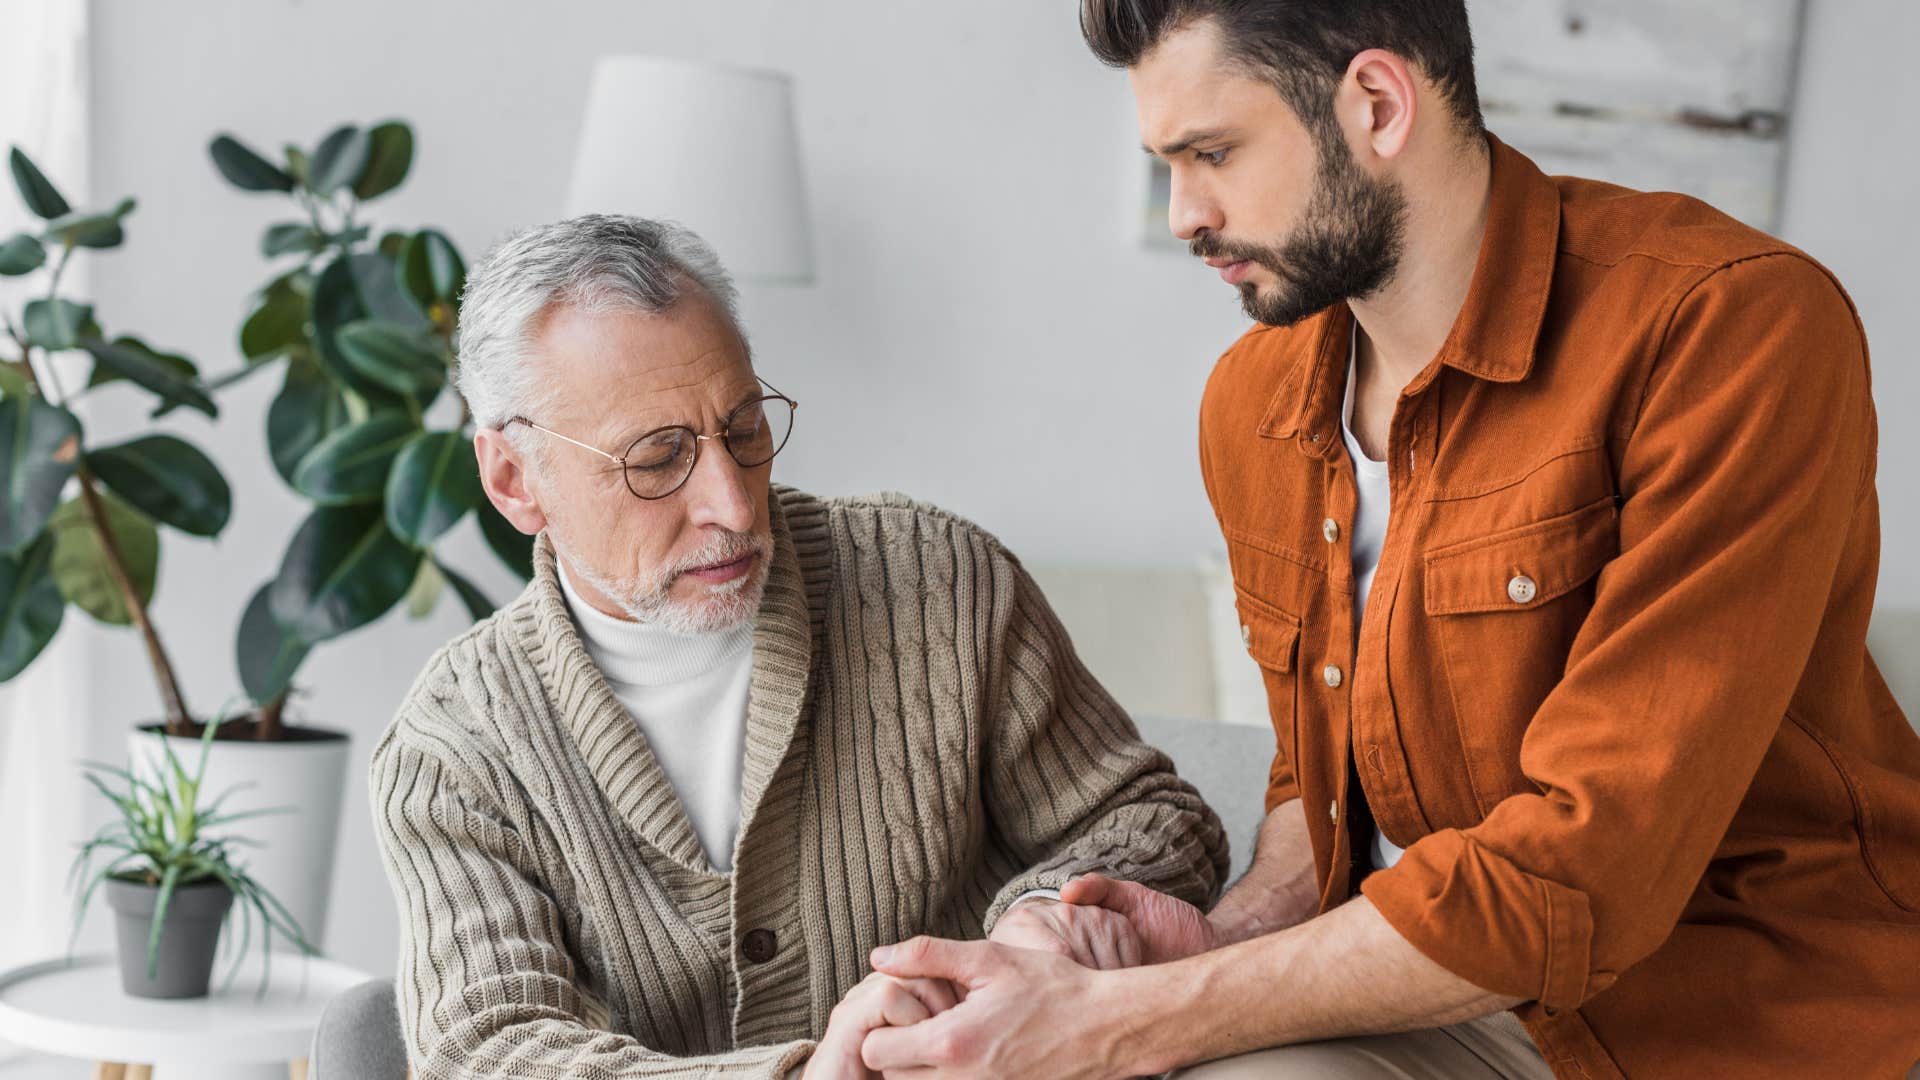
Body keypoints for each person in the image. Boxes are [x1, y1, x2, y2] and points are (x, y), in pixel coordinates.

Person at [857, 3, 1920, 1077]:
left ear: (1376, 103)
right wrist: (1222, 938)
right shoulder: (1255, 401)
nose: (1184, 213)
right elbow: (1322, 786)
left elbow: (1585, 873)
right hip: (1417, 1001)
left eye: (1212, 152)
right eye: (1166, 164)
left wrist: (1123, 1020)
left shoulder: (1729, 327)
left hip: (1734, 1025)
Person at [367, 214, 1228, 1078]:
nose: (734, 505)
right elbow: (489, 1053)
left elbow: (1154, 821)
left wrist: (1042, 919)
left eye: (744, 429)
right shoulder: (453, 751)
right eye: (658, 458)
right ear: (514, 480)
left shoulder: (942, 581)